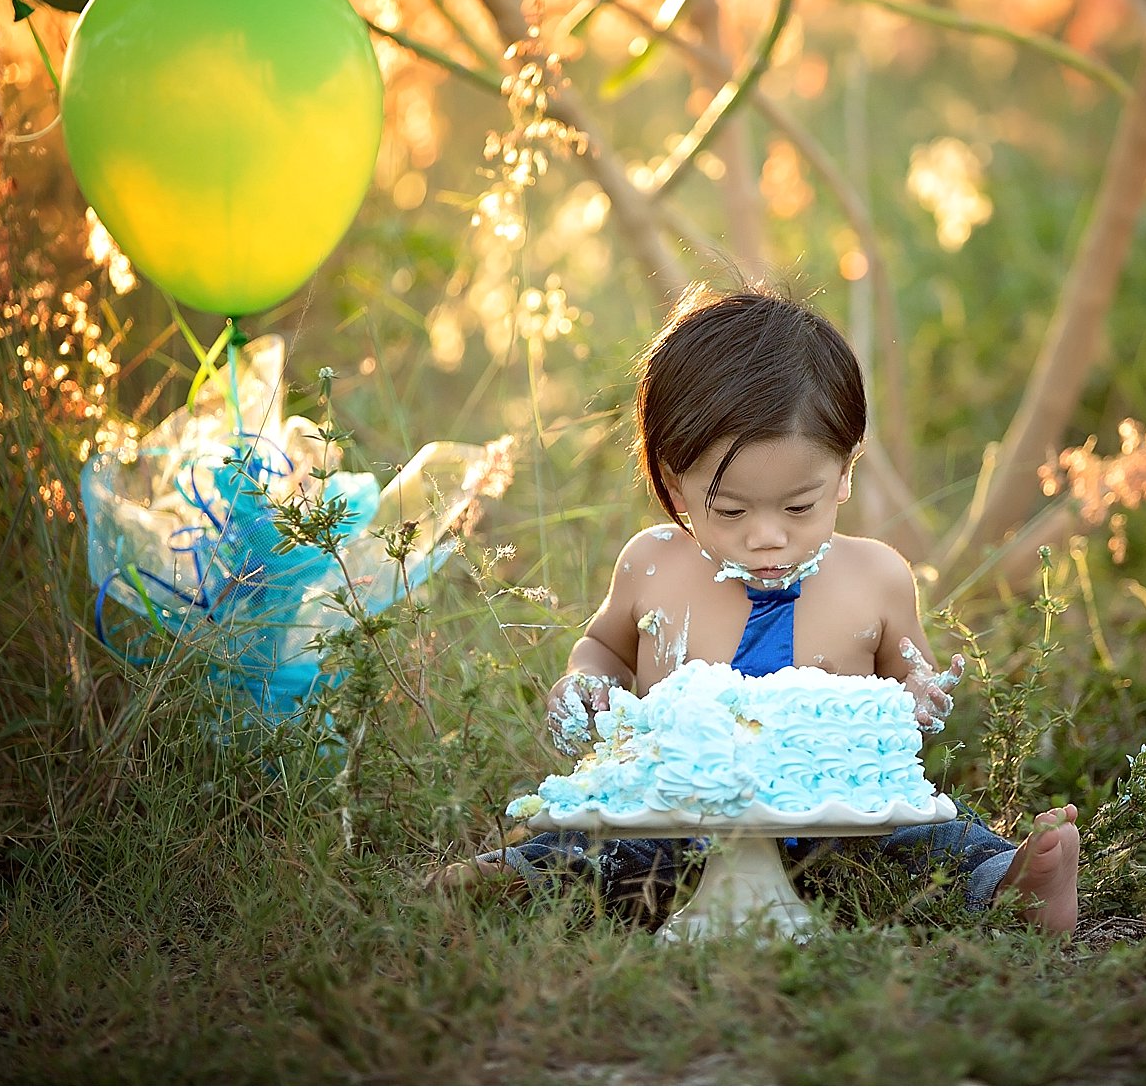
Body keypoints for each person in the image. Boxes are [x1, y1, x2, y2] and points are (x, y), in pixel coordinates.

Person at [437, 280, 1079, 935]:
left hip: (841, 822)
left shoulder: (876, 576)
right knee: (595, 847)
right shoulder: (653, 565)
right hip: (675, 821)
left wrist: (918, 698)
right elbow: (605, 646)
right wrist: (584, 682)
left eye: (800, 506)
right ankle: (519, 877)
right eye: (732, 510)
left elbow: (909, 678)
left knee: (925, 832)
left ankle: (1005, 883)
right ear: (673, 479)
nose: (766, 535)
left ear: (845, 473)